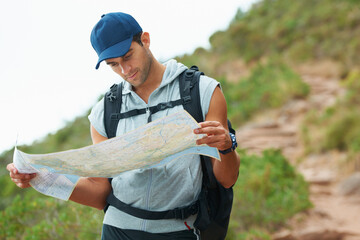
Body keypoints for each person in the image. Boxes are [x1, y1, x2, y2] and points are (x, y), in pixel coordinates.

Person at [7, 12, 240, 239]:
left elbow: (227, 180)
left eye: (128, 56)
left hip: (179, 230)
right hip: (117, 230)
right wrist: (42, 178)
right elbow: (101, 193)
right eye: (113, 64)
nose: (125, 70)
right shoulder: (105, 113)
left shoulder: (202, 91)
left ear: (145, 40)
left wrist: (226, 147)